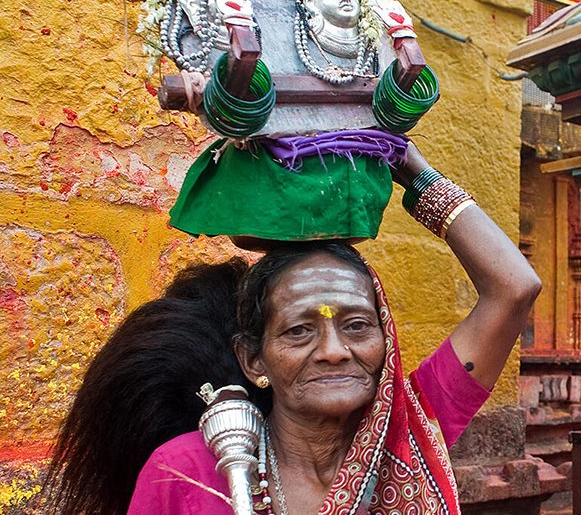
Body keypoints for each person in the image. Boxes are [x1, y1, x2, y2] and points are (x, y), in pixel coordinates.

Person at [42, 143, 541, 514]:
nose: (334, 350)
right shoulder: (187, 471)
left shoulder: (409, 433)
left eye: (357, 325)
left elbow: (514, 288)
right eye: (300, 331)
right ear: (253, 358)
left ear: (385, 339)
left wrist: (409, 167)